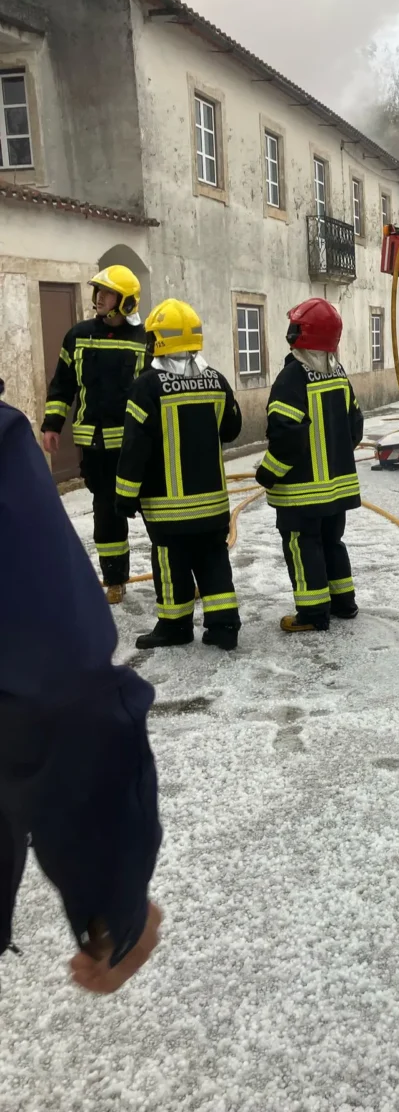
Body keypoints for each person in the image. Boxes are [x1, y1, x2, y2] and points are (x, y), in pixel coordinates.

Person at [0, 380, 162, 995]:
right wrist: (110, 901)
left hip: (129, 484)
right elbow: (55, 686)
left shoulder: (149, 376)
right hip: (117, 480)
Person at [115, 300, 243, 651]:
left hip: (168, 507)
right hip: (213, 504)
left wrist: (125, 495)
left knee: (171, 563)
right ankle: (224, 626)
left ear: (156, 341)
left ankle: (175, 626)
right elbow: (232, 429)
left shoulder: (147, 387)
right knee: (214, 559)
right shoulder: (216, 379)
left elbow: (134, 447)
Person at [41, 265, 149, 605]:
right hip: (96, 447)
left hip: (135, 445)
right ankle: (115, 579)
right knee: (106, 513)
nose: (99, 297)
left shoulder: (145, 338)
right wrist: (51, 425)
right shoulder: (78, 335)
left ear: (126, 301)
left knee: (155, 510)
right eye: (98, 291)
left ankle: (172, 575)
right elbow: (63, 384)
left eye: (107, 292)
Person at [255, 299, 364, 632]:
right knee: (332, 542)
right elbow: (355, 426)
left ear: (300, 334)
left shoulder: (292, 379)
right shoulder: (337, 372)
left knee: (303, 546)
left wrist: (267, 474)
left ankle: (314, 614)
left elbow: (287, 440)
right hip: (336, 488)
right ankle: (344, 603)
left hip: (301, 492)